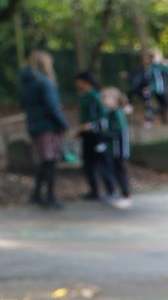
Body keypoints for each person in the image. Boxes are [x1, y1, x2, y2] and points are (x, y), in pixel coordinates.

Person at [19, 49, 69, 211]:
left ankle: (37, 194)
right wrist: (63, 123)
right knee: (50, 162)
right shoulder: (45, 83)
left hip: (34, 126)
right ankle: (50, 196)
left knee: (44, 161)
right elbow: (51, 106)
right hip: (48, 127)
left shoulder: (26, 83)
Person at [75, 71, 114, 202]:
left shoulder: (95, 96)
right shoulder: (83, 96)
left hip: (98, 135)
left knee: (103, 162)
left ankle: (110, 190)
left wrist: (92, 126)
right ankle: (94, 191)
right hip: (87, 135)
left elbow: (103, 116)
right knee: (88, 164)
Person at [100, 87, 133, 209]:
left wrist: (104, 134)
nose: (104, 100)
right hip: (113, 148)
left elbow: (119, 131)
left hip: (119, 148)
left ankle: (126, 196)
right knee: (116, 171)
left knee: (121, 171)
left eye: (107, 97)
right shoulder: (108, 113)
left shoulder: (117, 113)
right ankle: (120, 195)